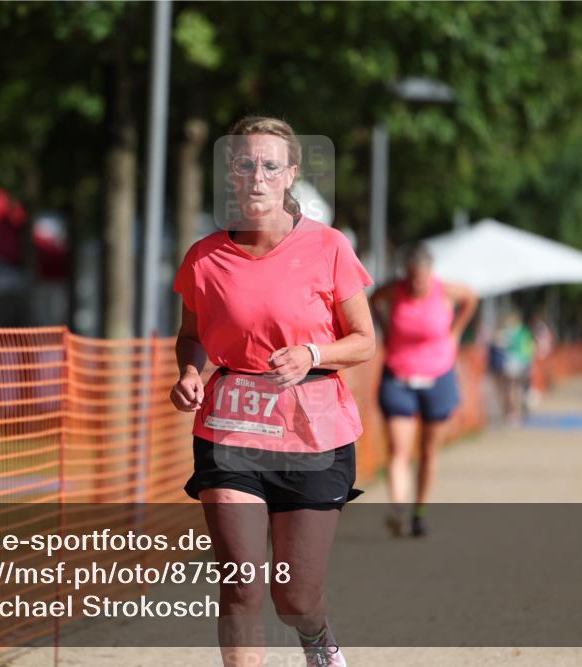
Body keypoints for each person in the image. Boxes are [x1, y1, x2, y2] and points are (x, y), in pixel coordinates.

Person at [170, 116, 375, 667]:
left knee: (295, 596)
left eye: (269, 166)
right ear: (231, 174)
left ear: (290, 174)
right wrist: (190, 373)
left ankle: (316, 635)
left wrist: (312, 354)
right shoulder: (205, 258)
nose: (256, 177)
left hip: (314, 431)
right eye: (245, 164)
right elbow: (191, 337)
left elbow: (363, 341)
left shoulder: (329, 248)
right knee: (240, 584)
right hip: (230, 428)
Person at [370, 246, 477, 537]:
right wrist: (384, 329)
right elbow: (373, 300)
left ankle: (419, 512)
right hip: (398, 374)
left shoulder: (446, 291)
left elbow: (472, 297)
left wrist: (455, 332)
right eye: (411, 277)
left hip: (438, 374)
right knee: (398, 450)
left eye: (420, 278)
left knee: (429, 451)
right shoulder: (395, 290)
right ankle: (398, 511)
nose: (416, 283)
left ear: (431, 273)